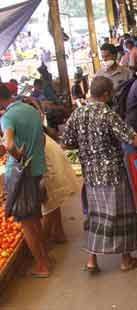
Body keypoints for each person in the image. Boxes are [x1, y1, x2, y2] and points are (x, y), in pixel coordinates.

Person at [63, 76, 137, 273]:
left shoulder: (77, 113)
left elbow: (66, 141)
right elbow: (133, 142)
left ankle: (92, 261)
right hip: (113, 174)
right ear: (107, 94)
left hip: (91, 175)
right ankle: (125, 261)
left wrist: (86, 146)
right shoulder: (108, 114)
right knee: (120, 214)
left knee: (96, 215)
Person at [0, 82, 50, 278]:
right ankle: (44, 258)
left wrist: (16, 154)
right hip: (37, 168)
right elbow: (43, 139)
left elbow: (9, 144)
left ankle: (42, 266)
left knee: (27, 223)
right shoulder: (30, 109)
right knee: (35, 217)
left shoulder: (7, 117)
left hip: (21, 173)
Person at [41, 134, 79, 245]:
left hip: (46, 161)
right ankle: (59, 233)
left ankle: (41, 249)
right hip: (49, 156)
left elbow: (9, 146)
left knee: (47, 206)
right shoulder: (27, 120)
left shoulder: (8, 120)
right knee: (53, 201)